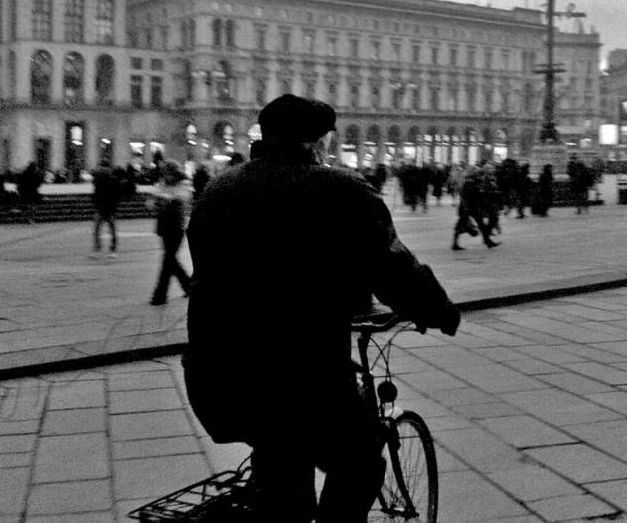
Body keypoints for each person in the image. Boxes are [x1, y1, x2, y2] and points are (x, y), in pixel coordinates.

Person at [183, 94, 460, 523]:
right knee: (360, 462)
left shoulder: (218, 189)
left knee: (281, 465)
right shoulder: (341, 190)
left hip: (217, 376)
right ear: (316, 143)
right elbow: (391, 266)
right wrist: (437, 310)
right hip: (301, 374)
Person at [149, 160, 192, 305]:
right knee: (170, 259)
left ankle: (160, 295)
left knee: (168, 260)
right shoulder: (161, 185)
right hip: (164, 227)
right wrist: (159, 200)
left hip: (177, 227)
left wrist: (165, 197)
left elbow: (183, 199)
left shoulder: (183, 186)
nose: (167, 176)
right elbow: (150, 204)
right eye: (165, 173)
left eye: (169, 173)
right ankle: (188, 286)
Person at [452, 162, 501, 250]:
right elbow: (466, 195)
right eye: (476, 172)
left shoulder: (475, 181)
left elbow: (477, 194)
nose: (478, 174)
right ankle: (455, 244)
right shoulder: (469, 182)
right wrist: (467, 206)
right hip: (467, 207)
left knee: (480, 224)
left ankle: (488, 241)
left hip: (473, 207)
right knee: (461, 225)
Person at [91, 160, 122, 258]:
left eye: (104, 167)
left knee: (110, 230)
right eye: (102, 167)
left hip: (109, 208)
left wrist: (114, 207)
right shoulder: (98, 179)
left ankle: (112, 249)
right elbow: (96, 193)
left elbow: (116, 195)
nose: (102, 169)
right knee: (98, 230)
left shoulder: (112, 180)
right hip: (101, 208)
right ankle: (98, 249)